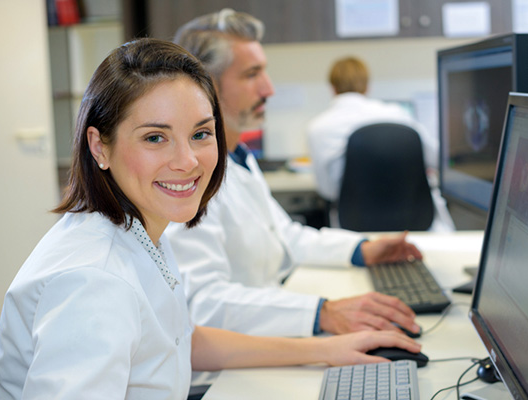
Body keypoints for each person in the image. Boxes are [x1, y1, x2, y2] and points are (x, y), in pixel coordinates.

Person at [0, 38, 421, 399]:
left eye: (200, 134)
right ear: (99, 146)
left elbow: (183, 341)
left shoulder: (139, 231)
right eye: (155, 138)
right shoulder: (95, 281)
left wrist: (325, 350)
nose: (187, 161)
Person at [168, 8, 424, 341]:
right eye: (251, 74)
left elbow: (285, 237)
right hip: (226, 370)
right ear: (206, 87)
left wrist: (361, 250)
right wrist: (322, 313)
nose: (269, 89)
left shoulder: (238, 158)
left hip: (269, 334)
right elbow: (203, 304)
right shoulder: (187, 177)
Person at [307, 56, 453, 231]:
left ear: (332, 88)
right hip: (417, 226)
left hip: (354, 229)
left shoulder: (318, 127)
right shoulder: (397, 114)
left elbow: (327, 191)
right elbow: (437, 159)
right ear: (367, 86)